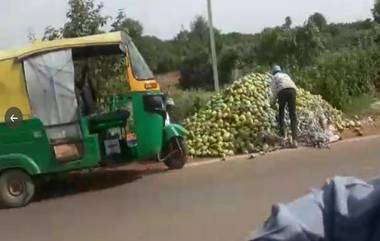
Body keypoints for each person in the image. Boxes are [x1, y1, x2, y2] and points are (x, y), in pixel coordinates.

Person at [270, 65, 298, 148]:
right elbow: (293, 84)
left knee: (281, 113)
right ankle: (295, 140)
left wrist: (273, 102)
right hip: (293, 90)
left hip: (282, 91)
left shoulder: (274, 77)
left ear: (274, 72)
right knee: (293, 115)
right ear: (280, 70)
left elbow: (274, 90)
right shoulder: (286, 75)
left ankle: (283, 137)